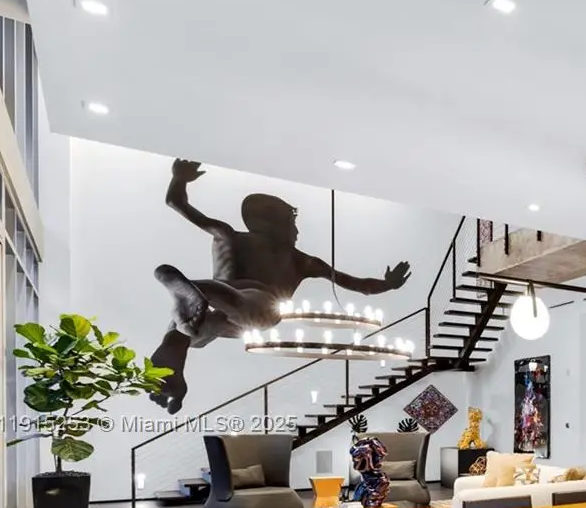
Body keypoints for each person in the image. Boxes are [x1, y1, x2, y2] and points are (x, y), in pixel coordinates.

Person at [149, 159, 411, 412]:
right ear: (274, 222)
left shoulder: (229, 237)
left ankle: (189, 299)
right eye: (292, 223)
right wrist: (388, 285)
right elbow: (358, 285)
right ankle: (175, 363)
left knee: (199, 321)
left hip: (237, 306)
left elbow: (176, 202)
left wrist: (179, 178)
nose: (297, 231)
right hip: (250, 314)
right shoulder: (299, 259)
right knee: (197, 329)